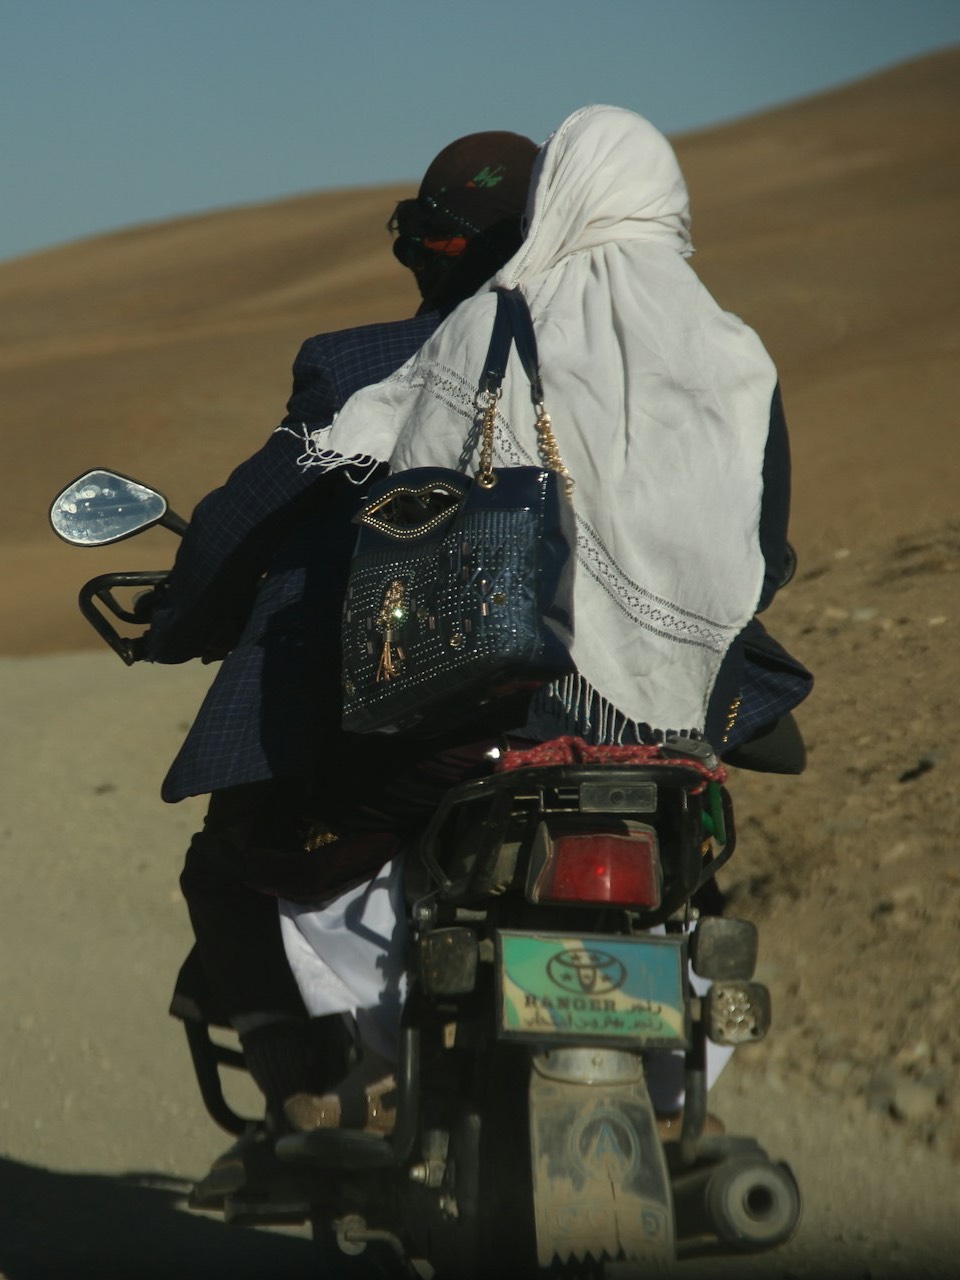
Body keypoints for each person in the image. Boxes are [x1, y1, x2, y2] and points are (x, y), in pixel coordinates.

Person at [148, 108, 812, 1165]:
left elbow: (402, 515)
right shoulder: (735, 357)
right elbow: (763, 554)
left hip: (486, 716)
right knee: (691, 874)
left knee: (270, 847)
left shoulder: (481, 335)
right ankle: (675, 1089)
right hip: (671, 738)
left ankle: (326, 1080)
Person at [146, 130, 544, 1151]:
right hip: (616, 725)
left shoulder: (364, 365)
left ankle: (309, 1100)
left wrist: (182, 613)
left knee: (233, 857)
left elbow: (250, 512)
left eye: (422, 237)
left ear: (430, 249)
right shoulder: (636, 367)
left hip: (422, 726)